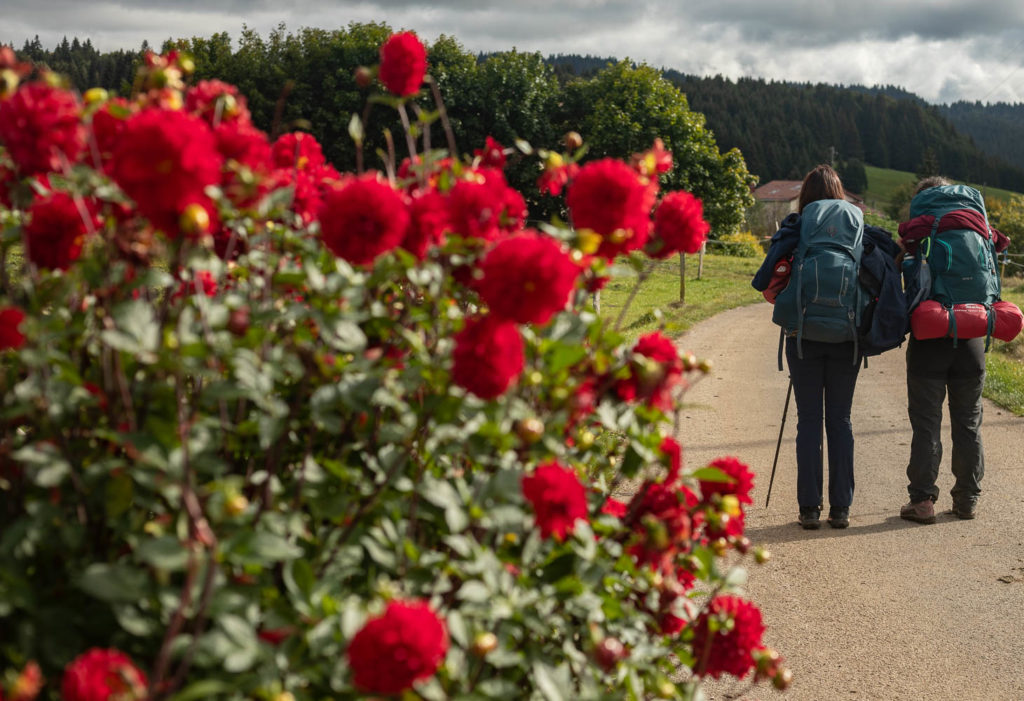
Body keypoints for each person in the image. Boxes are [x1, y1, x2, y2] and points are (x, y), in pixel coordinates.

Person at [752, 164, 900, 530]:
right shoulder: (860, 231)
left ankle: (808, 510)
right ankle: (841, 509)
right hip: (847, 340)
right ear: (840, 195)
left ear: (805, 196)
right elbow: (886, 275)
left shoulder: (797, 228)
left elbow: (763, 282)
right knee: (841, 419)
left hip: (802, 339)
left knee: (808, 421)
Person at [897, 176, 1008, 524]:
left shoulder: (920, 231)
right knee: (969, 422)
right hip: (973, 334)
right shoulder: (980, 228)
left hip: (930, 338)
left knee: (926, 424)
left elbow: (903, 270)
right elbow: (999, 253)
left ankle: (923, 501)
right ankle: (967, 500)